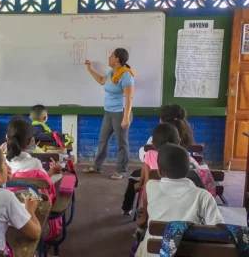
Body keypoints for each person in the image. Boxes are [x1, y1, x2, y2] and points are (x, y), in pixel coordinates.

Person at [135, 143, 223, 257]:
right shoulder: (203, 196)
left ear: (160, 172)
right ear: (189, 170)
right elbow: (219, 231)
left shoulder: (150, 186)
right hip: (187, 252)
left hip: (151, 252)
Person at [121, 123, 199, 215]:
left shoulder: (149, 154)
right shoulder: (184, 156)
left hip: (156, 193)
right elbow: (196, 170)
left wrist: (140, 183)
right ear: (178, 141)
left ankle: (126, 208)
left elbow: (146, 181)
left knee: (134, 177)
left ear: (153, 143)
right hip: (183, 196)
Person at [83, 48, 135, 179]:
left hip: (120, 113)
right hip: (109, 112)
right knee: (103, 140)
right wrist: (90, 69)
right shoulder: (112, 72)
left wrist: (126, 117)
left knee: (121, 143)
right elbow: (101, 80)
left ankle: (122, 171)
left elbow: (129, 97)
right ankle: (97, 167)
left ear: (117, 59)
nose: (109, 58)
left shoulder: (126, 75)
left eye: (111, 56)